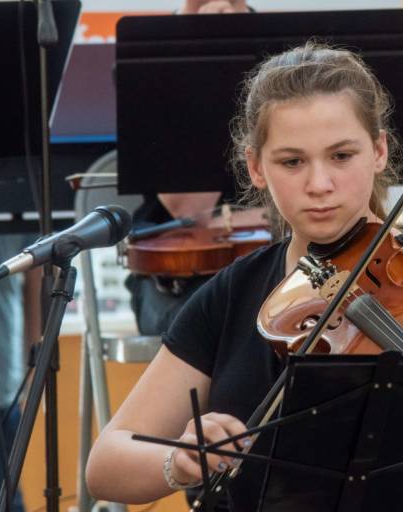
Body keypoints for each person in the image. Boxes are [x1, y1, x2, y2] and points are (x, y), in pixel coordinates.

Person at [86, 43, 403, 511]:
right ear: (256, 168)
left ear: (380, 151)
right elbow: (105, 466)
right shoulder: (232, 293)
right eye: (292, 162)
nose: (319, 184)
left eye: (342, 156)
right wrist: (179, 461)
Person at [125, 0, 265, 336]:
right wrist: (209, 64)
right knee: (232, 327)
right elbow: (188, 208)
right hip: (178, 278)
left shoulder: (288, 51)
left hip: (274, 261)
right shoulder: (149, 57)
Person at [0, 234, 40, 512]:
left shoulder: (14, 198)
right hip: (1, 380)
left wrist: (36, 360)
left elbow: (37, 275)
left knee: (0, 497)